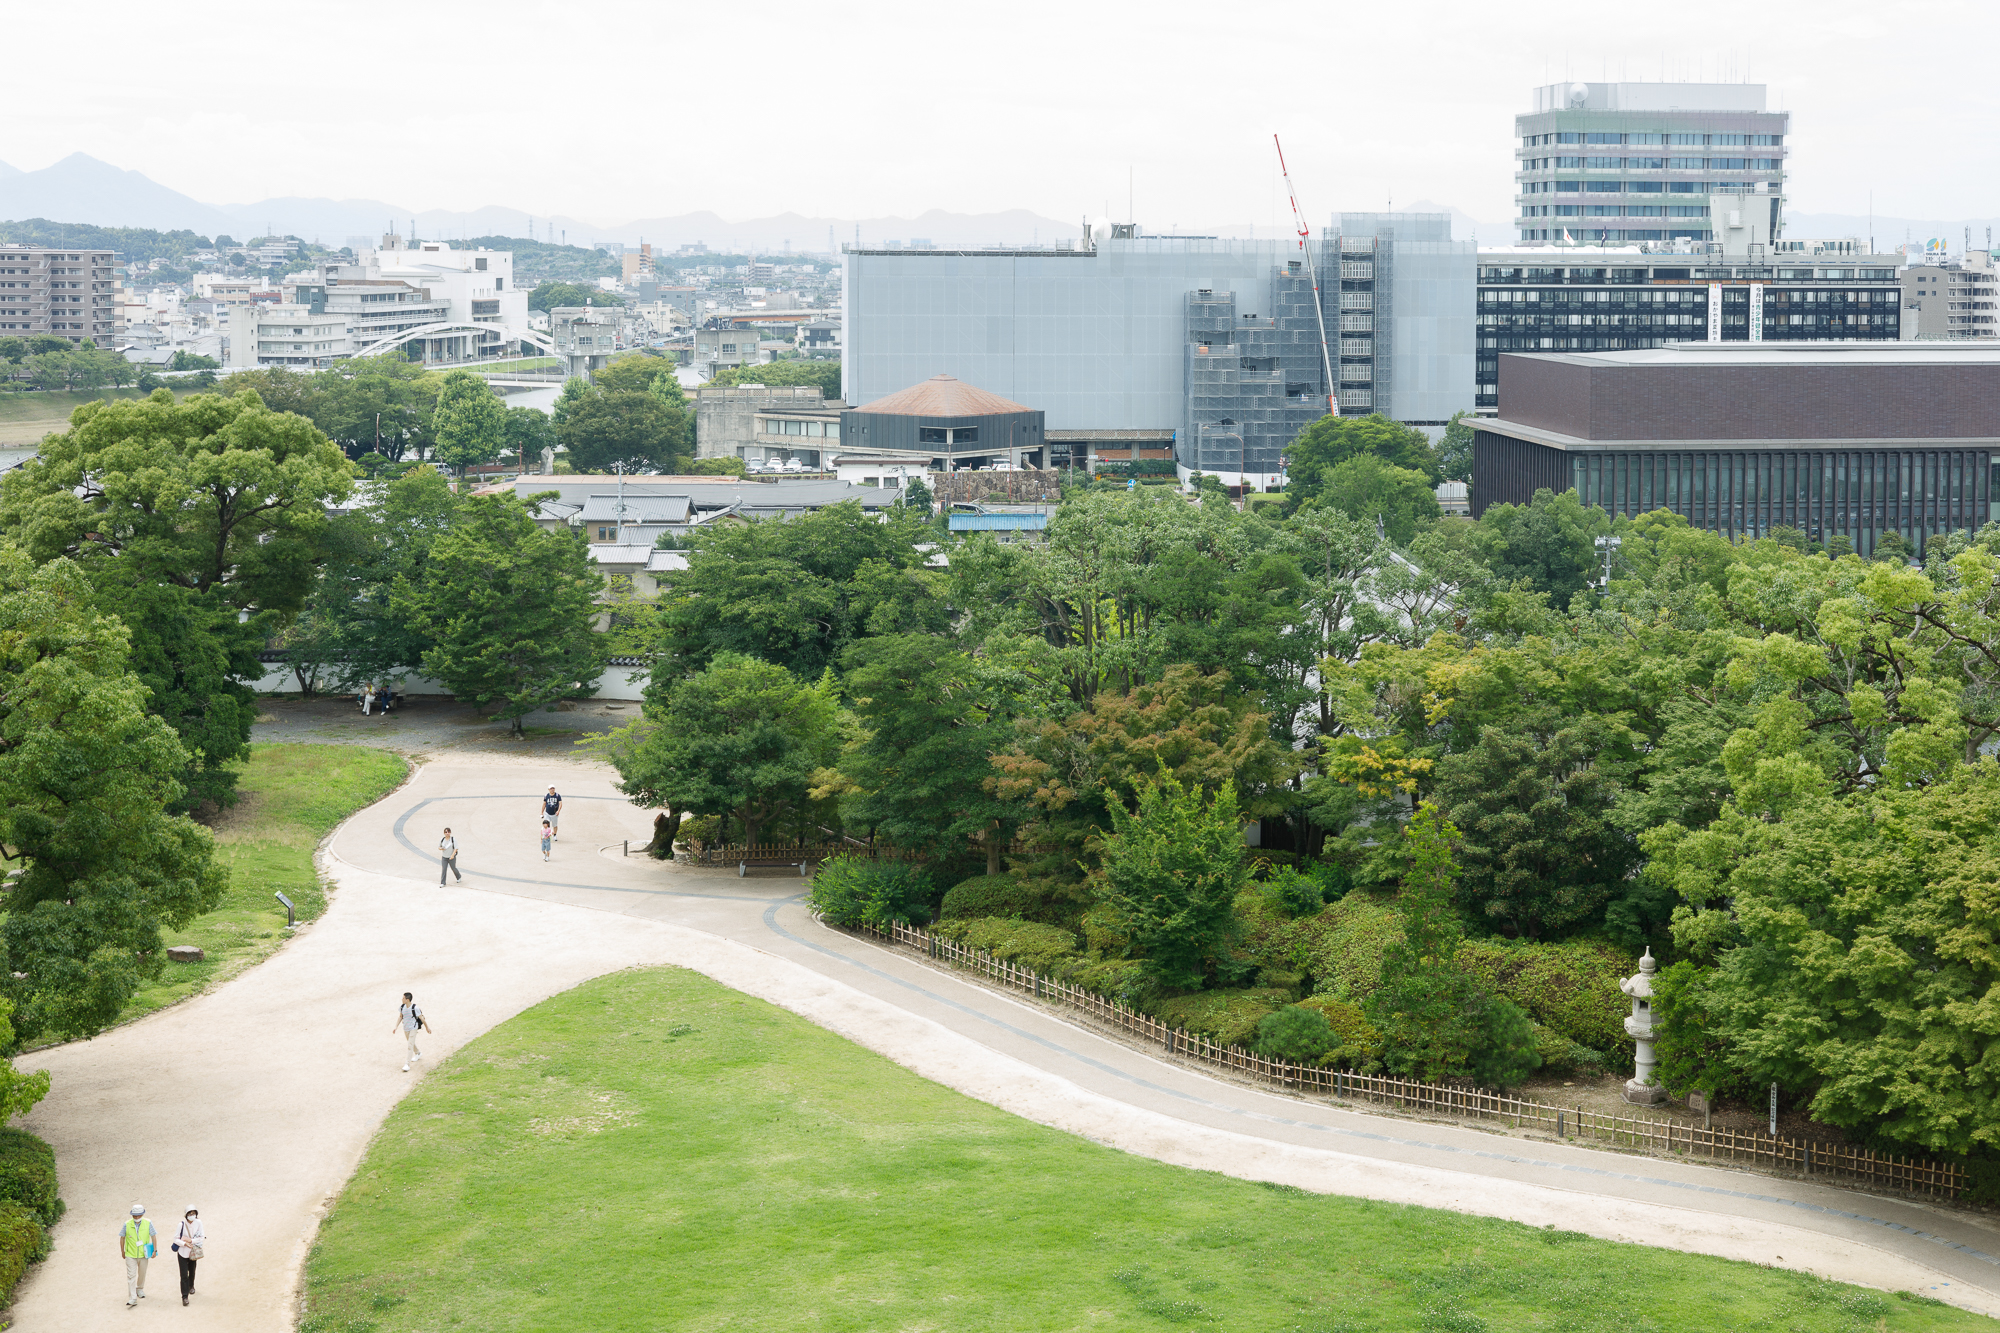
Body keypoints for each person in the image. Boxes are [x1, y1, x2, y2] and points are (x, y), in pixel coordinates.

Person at [119, 1203, 158, 1307]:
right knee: (131, 1276)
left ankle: (139, 1289)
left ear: (142, 1214)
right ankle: (132, 1298)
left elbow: (153, 1236)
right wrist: (122, 1251)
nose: (136, 1217)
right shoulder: (126, 1224)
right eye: (134, 1216)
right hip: (130, 1254)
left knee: (142, 1273)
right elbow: (122, 1237)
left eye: (138, 1215)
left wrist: (155, 1250)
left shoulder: (148, 1223)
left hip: (143, 1254)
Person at [170, 1208, 205, 1305]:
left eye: (193, 1214)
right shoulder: (181, 1224)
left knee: (192, 1270)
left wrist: (191, 1241)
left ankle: (191, 1286)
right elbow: (176, 1239)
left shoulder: (198, 1222)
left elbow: (202, 1237)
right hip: (182, 1252)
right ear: (186, 1215)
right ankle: (184, 1296)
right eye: (190, 1214)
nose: (192, 1215)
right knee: (184, 1275)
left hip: (193, 1251)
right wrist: (184, 1244)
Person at [394, 992, 431, 1073]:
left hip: (413, 1028)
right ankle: (418, 1053)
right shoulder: (402, 1007)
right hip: (406, 1028)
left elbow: (422, 1018)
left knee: (410, 1045)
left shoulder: (415, 1008)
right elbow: (400, 1017)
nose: (402, 999)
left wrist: (427, 1027)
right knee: (411, 1042)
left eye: (403, 998)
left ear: (407, 1000)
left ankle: (407, 1064)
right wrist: (396, 1026)